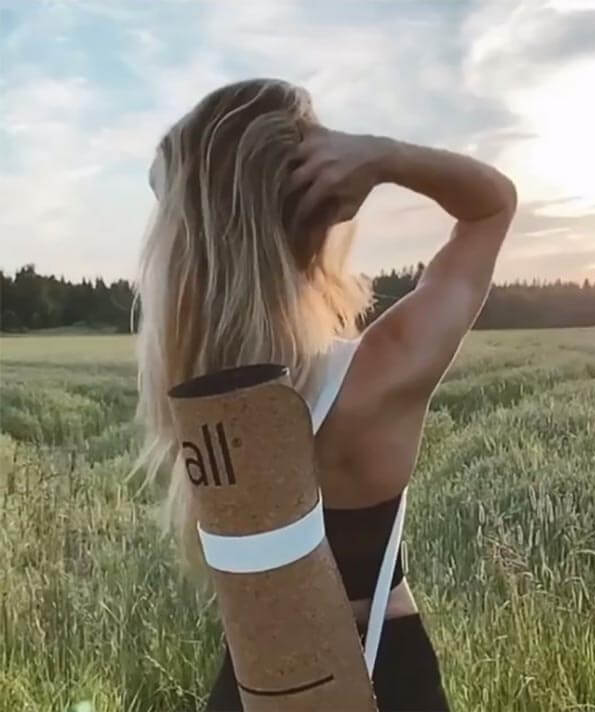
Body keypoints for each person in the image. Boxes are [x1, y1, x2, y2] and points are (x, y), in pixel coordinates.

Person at [135, 78, 516, 712]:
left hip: (256, 676)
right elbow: (493, 205)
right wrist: (384, 155)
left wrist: (211, 176)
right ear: (323, 214)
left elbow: (166, 176)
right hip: (382, 674)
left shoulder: (190, 386)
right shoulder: (380, 373)